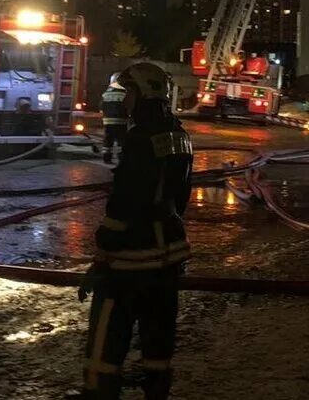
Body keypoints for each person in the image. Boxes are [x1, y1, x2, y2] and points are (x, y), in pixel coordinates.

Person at [75, 63, 192, 400]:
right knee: (159, 330)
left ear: (144, 95)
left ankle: (99, 391)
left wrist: (103, 253)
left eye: (130, 94)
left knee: (108, 330)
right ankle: (156, 389)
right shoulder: (179, 134)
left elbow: (125, 201)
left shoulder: (140, 139)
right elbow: (180, 197)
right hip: (169, 251)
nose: (125, 102)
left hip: (131, 257)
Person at [99, 72, 128, 165]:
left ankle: (106, 158)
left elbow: (101, 107)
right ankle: (121, 158)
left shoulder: (106, 93)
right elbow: (128, 106)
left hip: (107, 121)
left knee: (108, 140)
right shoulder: (124, 92)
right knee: (121, 141)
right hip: (121, 121)